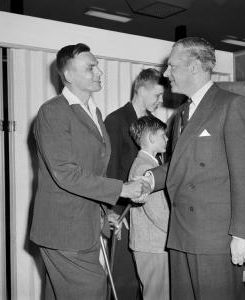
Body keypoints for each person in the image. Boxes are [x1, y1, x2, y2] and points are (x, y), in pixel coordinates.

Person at [145, 37, 245, 300]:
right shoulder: (181, 114)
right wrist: (148, 180)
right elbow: (176, 166)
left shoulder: (232, 105)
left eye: (172, 66)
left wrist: (243, 235)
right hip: (182, 235)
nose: (166, 74)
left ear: (194, 67)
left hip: (216, 239)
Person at [29, 43, 150, 300]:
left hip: (82, 226)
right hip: (64, 231)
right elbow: (65, 172)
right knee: (93, 291)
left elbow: (94, 171)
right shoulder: (53, 112)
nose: (99, 72)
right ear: (69, 75)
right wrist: (121, 189)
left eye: (97, 66)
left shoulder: (93, 111)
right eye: (90, 67)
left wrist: (104, 215)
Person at [104, 68, 165, 299]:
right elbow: (109, 172)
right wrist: (113, 212)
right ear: (140, 89)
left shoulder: (152, 125)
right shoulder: (116, 120)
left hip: (146, 219)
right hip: (123, 216)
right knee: (124, 283)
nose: (160, 101)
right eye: (157, 95)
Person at [128, 115, 170, 300]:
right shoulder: (145, 167)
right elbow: (157, 212)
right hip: (153, 245)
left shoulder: (149, 164)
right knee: (157, 296)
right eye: (164, 135)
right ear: (152, 138)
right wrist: (178, 231)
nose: (167, 139)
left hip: (152, 244)